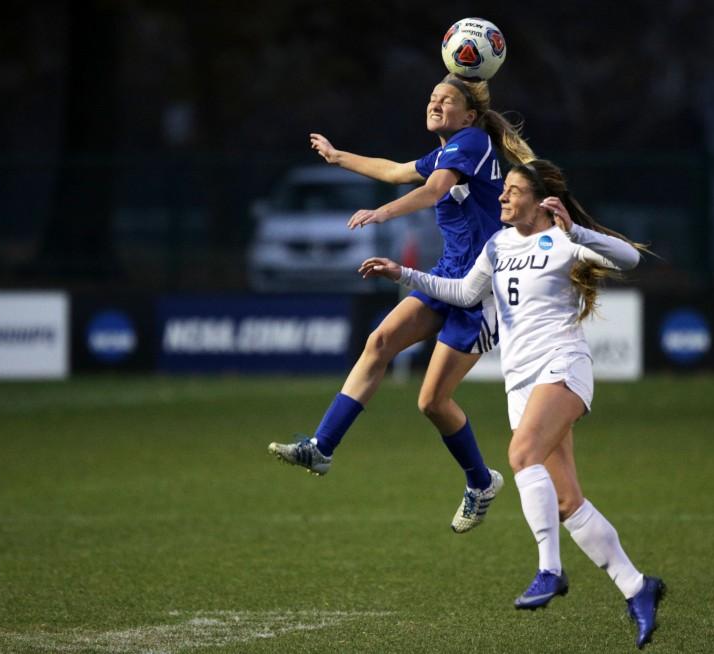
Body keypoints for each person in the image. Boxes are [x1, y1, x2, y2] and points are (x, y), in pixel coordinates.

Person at [358, 159, 665, 648]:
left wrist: (577, 229)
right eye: (503, 191)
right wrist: (403, 272)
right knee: (567, 502)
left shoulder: (564, 240)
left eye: (513, 192)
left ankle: (549, 569)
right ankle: (637, 586)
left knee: (521, 454)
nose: (502, 198)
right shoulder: (498, 245)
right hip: (520, 382)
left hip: (563, 366)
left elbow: (629, 259)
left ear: (540, 202)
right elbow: (461, 292)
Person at [268, 73, 538, 534]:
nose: (434, 104)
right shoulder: (450, 150)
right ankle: (322, 446)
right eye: (432, 97)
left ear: (470, 115)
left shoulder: (471, 142)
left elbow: (432, 192)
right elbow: (394, 171)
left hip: (484, 292)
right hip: (449, 276)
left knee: (432, 401)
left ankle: (480, 482)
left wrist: (381, 212)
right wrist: (337, 157)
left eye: (446, 99)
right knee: (380, 341)